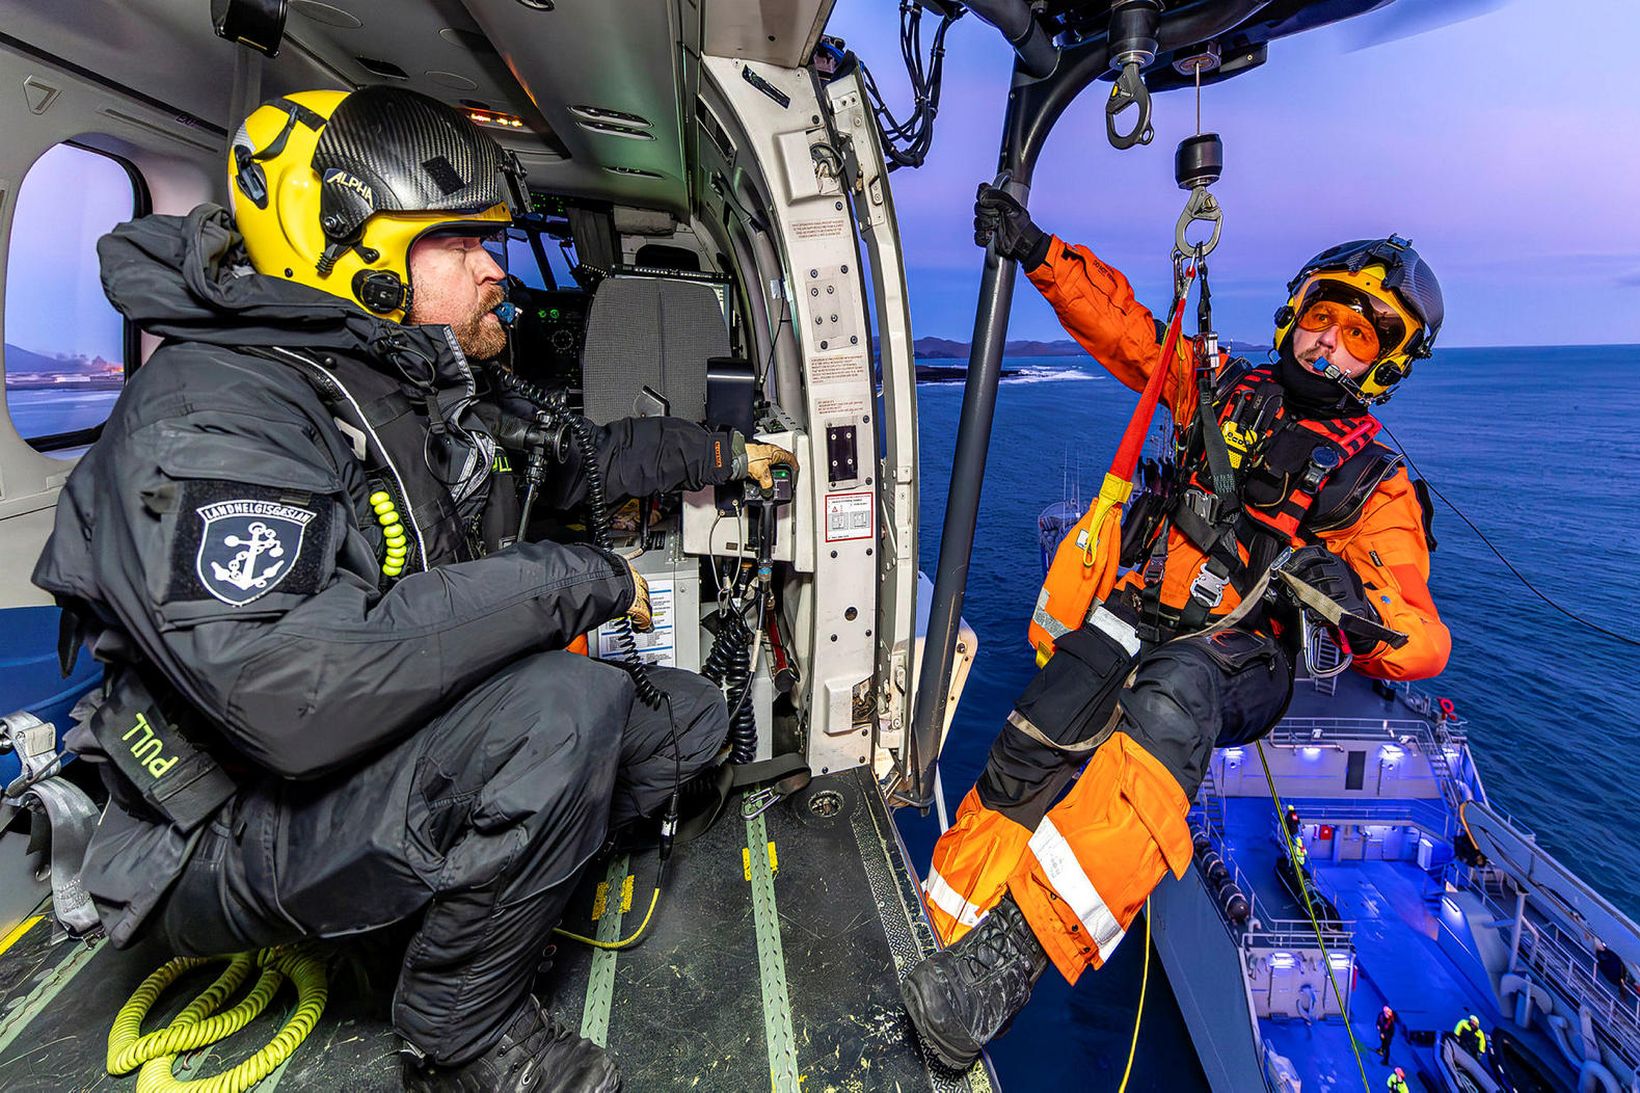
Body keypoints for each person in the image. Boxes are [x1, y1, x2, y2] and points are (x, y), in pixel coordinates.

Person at [32, 86, 793, 1093]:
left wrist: (726, 450)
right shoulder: (217, 409)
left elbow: (579, 462)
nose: (496, 269)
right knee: (567, 712)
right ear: (349, 251)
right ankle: (458, 1031)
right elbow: (289, 692)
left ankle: (469, 893)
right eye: (461, 243)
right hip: (217, 831)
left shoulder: (398, 390)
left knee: (689, 724)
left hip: (352, 767)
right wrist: (583, 580)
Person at [900, 183, 1450, 1070]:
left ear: (1383, 363)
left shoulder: (1374, 484)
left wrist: (1347, 589)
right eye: (1324, 315)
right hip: (1149, 607)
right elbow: (1127, 333)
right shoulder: (1225, 386)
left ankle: (1005, 968)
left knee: (1171, 702)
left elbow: (1421, 633)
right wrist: (1039, 250)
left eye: (1359, 334)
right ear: (1294, 312)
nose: (1328, 341)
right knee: (1043, 722)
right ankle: (942, 923)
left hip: (1237, 652)